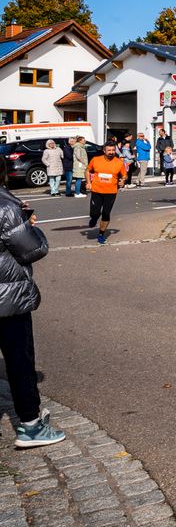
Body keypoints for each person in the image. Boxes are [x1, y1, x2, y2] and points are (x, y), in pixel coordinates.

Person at [0, 168, 64, 448]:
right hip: (8, 299)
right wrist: (32, 226)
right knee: (19, 361)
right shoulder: (6, 207)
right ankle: (31, 426)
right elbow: (32, 249)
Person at [86, 142, 128, 245]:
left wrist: (123, 180)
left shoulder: (119, 162)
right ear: (104, 150)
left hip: (111, 192)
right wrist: (88, 183)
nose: (111, 152)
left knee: (106, 213)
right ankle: (94, 218)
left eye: (113, 150)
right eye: (109, 150)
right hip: (96, 190)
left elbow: (124, 175)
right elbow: (88, 170)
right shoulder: (96, 160)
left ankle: (101, 234)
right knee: (94, 213)